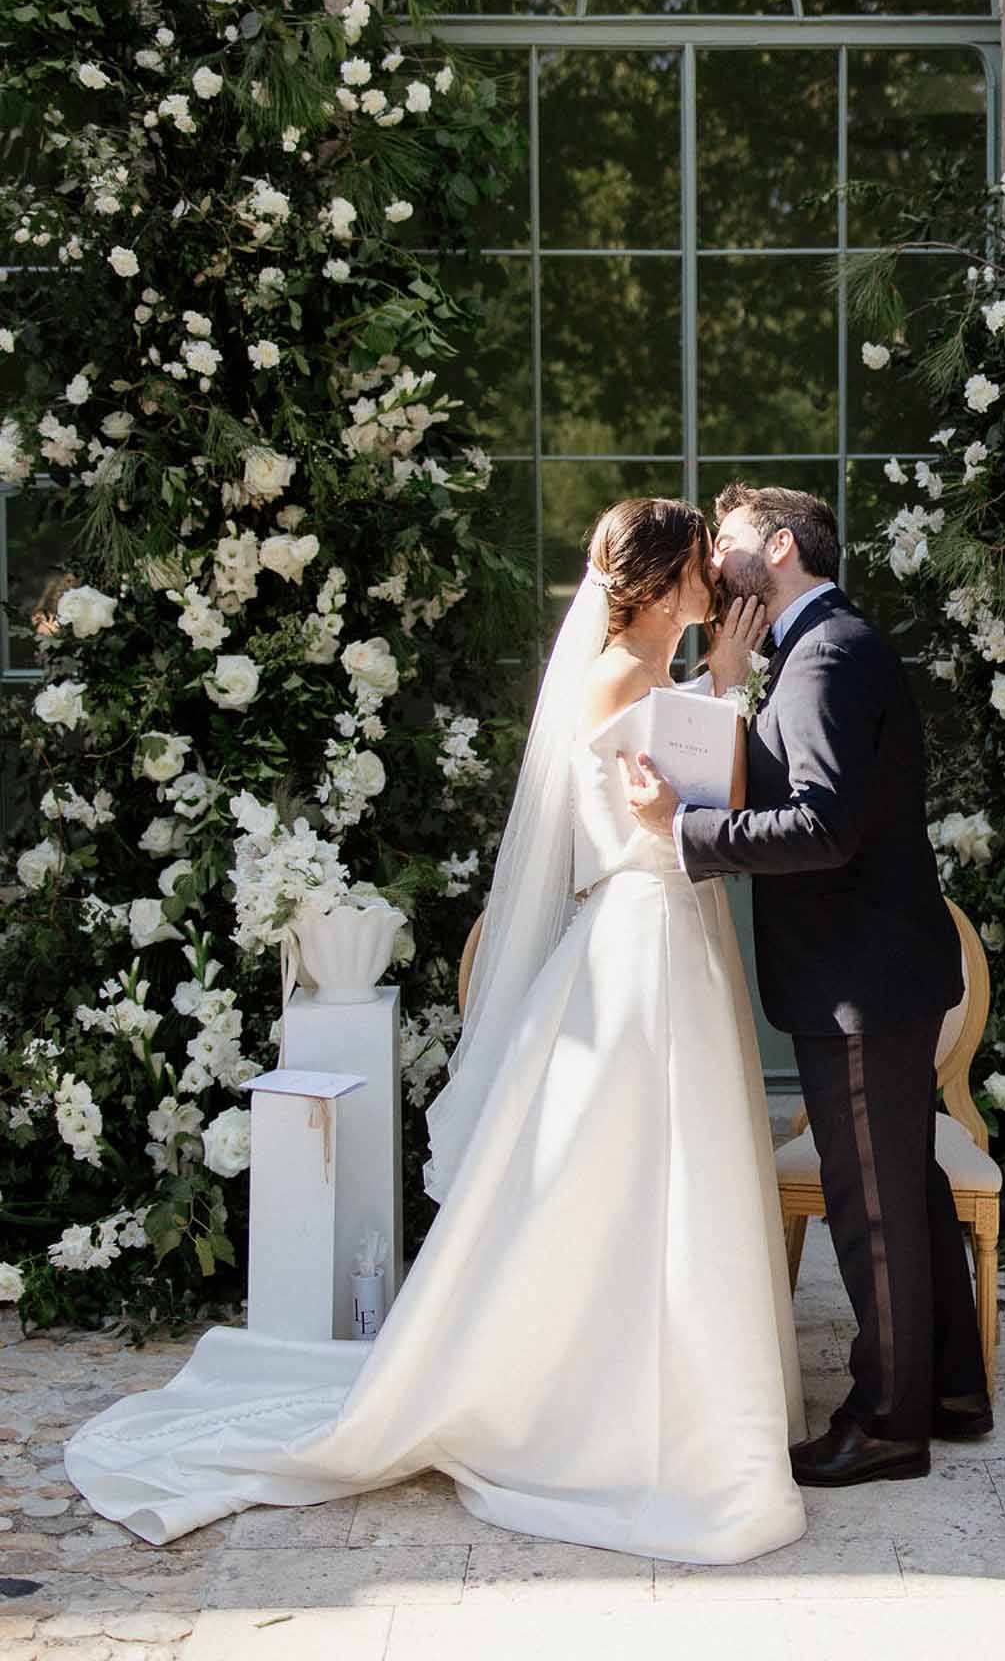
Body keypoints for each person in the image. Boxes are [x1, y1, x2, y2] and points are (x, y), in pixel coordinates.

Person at [62, 497, 808, 1564]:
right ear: (655, 583)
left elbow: (708, 806)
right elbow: (676, 812)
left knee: (664, 1172)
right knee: (627, 1169)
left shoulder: (658, 681)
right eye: (700, 568)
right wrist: (725, 690)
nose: (714, 588)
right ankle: (589, 1406)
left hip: (673, 930)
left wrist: (718, 691)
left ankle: (677, 1387)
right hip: (640, 938)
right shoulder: (615, 680)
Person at [622, 482, 991, 1488]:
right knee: (904, 1188)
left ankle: (885, 1422)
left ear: (780, 545)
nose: (715, 548)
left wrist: (681, 830)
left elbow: (822, 829)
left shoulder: (826, 653)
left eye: (731, 535)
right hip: (875, 969)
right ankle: (951, 1387)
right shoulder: (822, 646)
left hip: (860, 979)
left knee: (872, 1204)